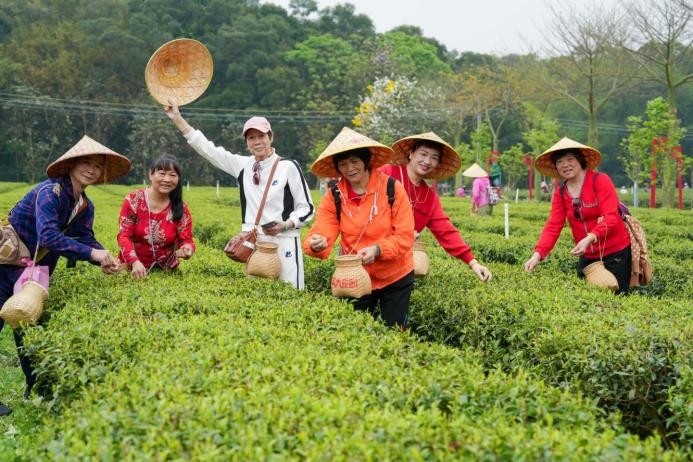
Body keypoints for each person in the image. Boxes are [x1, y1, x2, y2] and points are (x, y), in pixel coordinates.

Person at [0, 135, 130, 416]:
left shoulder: (85, 205)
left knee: (29, 327)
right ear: (71, 164)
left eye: (97, 166)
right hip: (7, 265)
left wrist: (104, 256)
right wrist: (92, 254)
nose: (91, 170)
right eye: (86, 163)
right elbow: (48, 234)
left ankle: (36, 387)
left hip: (35, 270)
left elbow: (85, 238)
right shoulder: (50, 193)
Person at [164, 101, 314, 289]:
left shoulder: (288, 167)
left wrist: (285, 225)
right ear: (246, 143)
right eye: (251, 138)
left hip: (284, 242)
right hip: (255, 243)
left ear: (271, 137)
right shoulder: (243, 166)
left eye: (261, 136)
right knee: (258, 296)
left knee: (291, 292)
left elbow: (307, 208)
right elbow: (208, 149)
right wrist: (177, 119)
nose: (257, 141)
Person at [303, 127, 415, 328]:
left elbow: (405, 236)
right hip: (355, 275)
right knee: (356, 332)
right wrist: (317, 243)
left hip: (395, 275)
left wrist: (378, 249)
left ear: (366, 161)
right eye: (343, 164)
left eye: (355, 161)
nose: (349, 168)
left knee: (396, 331)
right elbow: (323, 229)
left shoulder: (392, 188)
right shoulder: (334, 196)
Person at [523, 137, 631, 294]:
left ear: (580, 160)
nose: (565, 165)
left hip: (615, 253)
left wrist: (590, 237)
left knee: (617, 299)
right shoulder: (560, 193)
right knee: (588, 302)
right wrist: (537, 254)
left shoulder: (600, 181)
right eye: (559, 162)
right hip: (587, 255)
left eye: (570, 159)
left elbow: (611, 216)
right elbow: (553, 226)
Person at [381, 132, 492, 282]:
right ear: (411, 153)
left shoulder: (429, 197)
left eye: (434, 158)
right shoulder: (386, 173)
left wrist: (473, 263)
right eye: (423, 154)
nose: (427, 161)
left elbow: (446, 231)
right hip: (367, 257)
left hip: (399, 266)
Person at [117, 155, 195, 278]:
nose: (167, 179)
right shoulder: (134, 200)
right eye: (162, 173)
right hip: (131, 268)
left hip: (167, 271)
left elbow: (186, 239)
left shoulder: (181, 208)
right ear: (150, 175)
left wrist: (188, 248)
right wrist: (135, 262)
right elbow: (124, 236)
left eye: (173, 175)